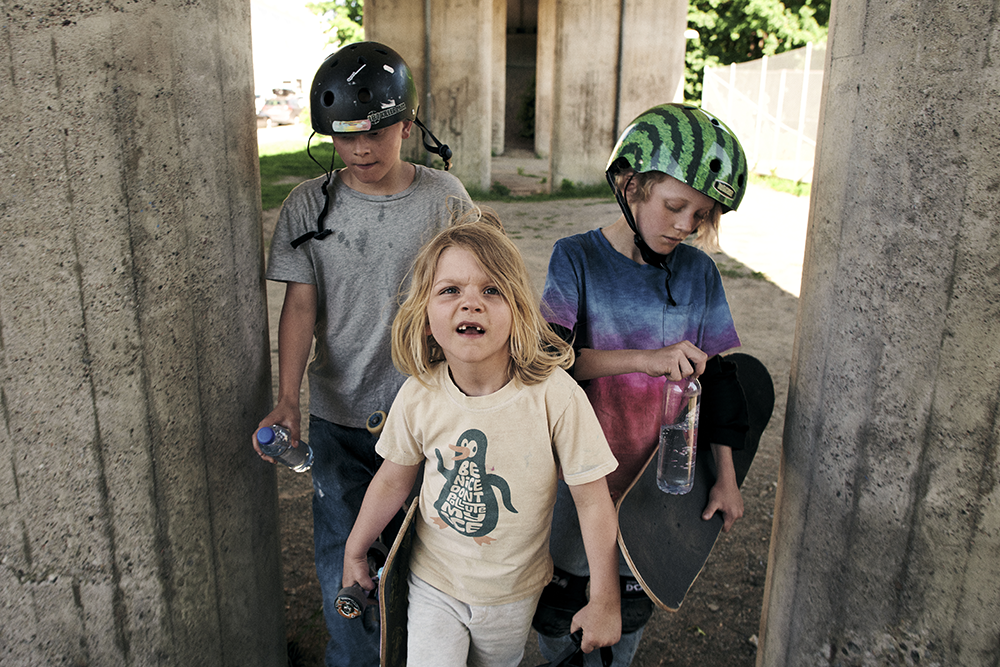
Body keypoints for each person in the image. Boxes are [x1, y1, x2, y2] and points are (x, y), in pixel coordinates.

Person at [252, 41, 471, 667]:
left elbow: (479, 288)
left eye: (375, 134)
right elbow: (300, 308)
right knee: (343, 561)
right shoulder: (307, 205)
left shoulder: (444, 198)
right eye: (344, 139)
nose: (361, 151)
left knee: (433, 559)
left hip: (433, 417)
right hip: (341, 421)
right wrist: (288, 400)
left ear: (408, 125)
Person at [342, 210, 622, 667]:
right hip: (433, 583)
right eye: (450, 290)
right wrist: (355, 550)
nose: (470, 303)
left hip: (512, 594)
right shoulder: (419, 394)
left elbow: (593, 501)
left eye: (492, 290)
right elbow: (393, 480)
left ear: (518, 312)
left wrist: (605, 598)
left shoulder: (555, 396)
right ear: (426, 317)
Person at [534, 102, 751, 666]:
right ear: (631, 186)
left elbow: (721, 382)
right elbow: (550, 365)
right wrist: (646, 360)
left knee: (627, 618)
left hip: (655, 485)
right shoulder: (576, 258)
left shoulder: (699, 272)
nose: (686, 225)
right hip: (576, 479)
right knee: (559, 616)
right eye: (675, 206)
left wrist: (725, 478)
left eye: (701, 215)